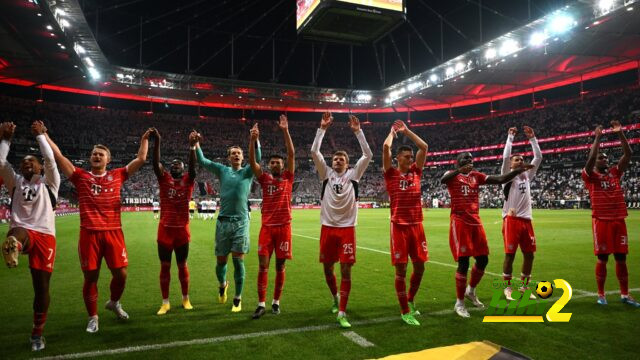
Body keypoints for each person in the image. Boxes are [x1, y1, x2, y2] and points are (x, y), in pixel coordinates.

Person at [46, 128, 151, 332]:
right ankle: (93, 316)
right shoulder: (80, 176)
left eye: (100, 154)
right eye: (94, 153)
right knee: (91, 277)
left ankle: (114, 302)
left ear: (108, 160)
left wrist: (144, 139)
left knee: (121, 275)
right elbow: (59, 157)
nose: (96, 156)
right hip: (89, 234)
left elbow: (141, 158)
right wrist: (46, 136)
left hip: (113, 232)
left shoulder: (118, 175)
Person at [440, 152, 533, 318]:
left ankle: (471, 291)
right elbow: (442, 181)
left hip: (476, 221)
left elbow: (500, 179)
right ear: (458, 162)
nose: (470, 161)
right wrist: (459, 170)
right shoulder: (451, 175)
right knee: (463, 262)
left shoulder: (476, 176)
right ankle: (459, 303)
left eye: (471, 158)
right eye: (466, 158)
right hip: (460, 221)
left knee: (483, 259)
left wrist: (518, 171)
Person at [0, 121, 60, 351]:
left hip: (45, 235)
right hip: (23, 229)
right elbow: (0, 163)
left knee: (41, 288)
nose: (26, 164)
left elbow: (51, 161)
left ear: (40, 168)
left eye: (31, 161)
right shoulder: (14, 182)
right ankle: (13, 244)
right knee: (17, 232)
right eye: (23, 162)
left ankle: (37, 333)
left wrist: (41, 136)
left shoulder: (50, 183)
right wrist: (5, 139)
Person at [311, 112, 372, 328]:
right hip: (328, 228)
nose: (337, 161)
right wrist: (322, 128)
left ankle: (342, 312)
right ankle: (335, 298)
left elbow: (368, 154)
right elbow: (314, 151)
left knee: (346, 270)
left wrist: (358, 132)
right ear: (331, 162)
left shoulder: (354, 175)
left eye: (342, 159)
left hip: (347, 229)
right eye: (335, 158)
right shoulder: (325, 174)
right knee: (328, 269)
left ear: (347, 163)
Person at [192, 127, 261, 312]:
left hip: (240, 222)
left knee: (238, 261)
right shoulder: (222, 170)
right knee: (221, 261)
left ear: (243, 157)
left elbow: (259, 159)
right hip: (223, 222)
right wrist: (196, 144)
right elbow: (203, 161)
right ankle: (223, 285)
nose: (237, 155)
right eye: (233, 153)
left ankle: (238, 298)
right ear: (228, 157)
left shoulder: (248, 172)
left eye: (239, 153)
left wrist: (255, 140)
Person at [582, 121, 639, 307]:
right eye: (601, 158)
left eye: (606, 157)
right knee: (603, 258)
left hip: (618, 220)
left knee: (621, 258)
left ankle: (624, 294)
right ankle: (601, 294)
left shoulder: (615, 173)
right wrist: (597, 138)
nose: (604, 159)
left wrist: (620, 133)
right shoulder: (590, 177)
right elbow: (590, 162)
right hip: (601, 221)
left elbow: (628, 154)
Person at [248, 115, 295, 319]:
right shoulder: (264, 179)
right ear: (269, 165)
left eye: (278, 162)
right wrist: (252, 140)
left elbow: (292, 154)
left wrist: (285, 130)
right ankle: (261, 303)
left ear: (283, 165)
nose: (275, 164)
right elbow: (251, 162)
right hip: (267, 228)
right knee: (263, 265)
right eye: (272, 162)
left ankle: (276, 302)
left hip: (284, 228)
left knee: (280, 266)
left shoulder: (288, 177)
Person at [382, 120, 428, 326]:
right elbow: (385, 147)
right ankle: (404, 310)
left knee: (420, 268)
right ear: (398, 158)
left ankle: (410, 299)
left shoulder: (416, 172)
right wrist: (393, 132)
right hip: (399, 226)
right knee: (401, 270)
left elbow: (424, 147)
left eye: (411, 157)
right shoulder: (390, 173)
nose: (410, 159)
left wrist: (407, 131)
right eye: (407, 156)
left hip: (417, 225)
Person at [150, 128, 196, 315]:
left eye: (179, 165)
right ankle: (165, 302)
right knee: (165, 267)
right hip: (165, 231)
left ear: (184, 169)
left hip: (182, 231)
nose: (175, 166)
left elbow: (193, 168)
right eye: (173, 165)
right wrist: (158, 141)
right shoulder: (164, 179)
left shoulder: (189, 180)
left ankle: (185, 299)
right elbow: (155, 163)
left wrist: (192, 147)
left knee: (182, 265)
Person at [500, 126, 542, 300]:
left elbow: (538, 157)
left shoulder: (527, 177)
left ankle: (525, 288)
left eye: (522, 159)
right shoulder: (506, 177)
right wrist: (510, 137)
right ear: (511, 164)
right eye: (516, 159)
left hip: (526, 220)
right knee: (510, 255)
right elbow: (504, 157)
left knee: (529, 255)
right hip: (511, 220)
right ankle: (507, 288)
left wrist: (532, 139)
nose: (520, 161)